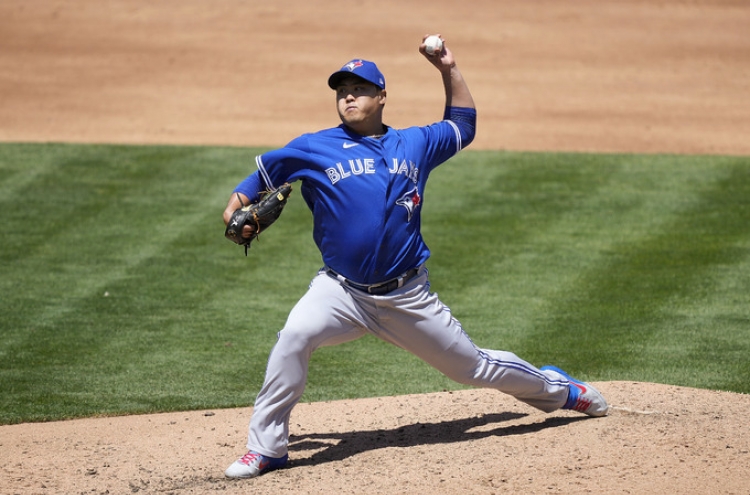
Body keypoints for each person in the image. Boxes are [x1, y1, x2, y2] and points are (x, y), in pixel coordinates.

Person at [222, 35, 608, 480]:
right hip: (340, 291)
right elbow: (260, 176)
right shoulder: (314, 146)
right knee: (293, 337)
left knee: (472, 367)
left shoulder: (415, 144)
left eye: (360, 88)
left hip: (407, 296)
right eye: (342, 89)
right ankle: (266, 448)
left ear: (382, 96)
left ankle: (560, 390)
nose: (348, 95)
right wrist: (235, 205)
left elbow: (463, 125)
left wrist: (449, 68)